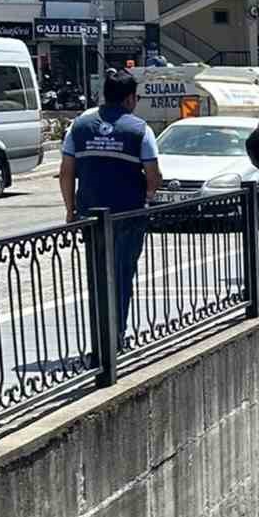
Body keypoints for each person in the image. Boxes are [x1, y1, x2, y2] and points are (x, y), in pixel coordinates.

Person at [59, 68, 162, 344]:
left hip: (89, 214)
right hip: (128, 214)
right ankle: (115, 336)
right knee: (121, 274)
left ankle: (100, 338)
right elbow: (153, 175)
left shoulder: (79, 126)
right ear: (129, 99)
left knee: (98, 277)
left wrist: (70, 211)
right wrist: (149, 197)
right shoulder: (140, 129)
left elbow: (67, 172)